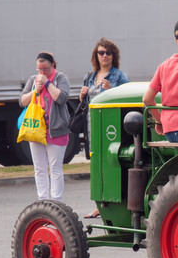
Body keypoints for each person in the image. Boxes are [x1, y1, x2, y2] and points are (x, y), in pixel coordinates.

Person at [81, 38, 130, 219]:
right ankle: (98, 204)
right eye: (101, 53)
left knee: (108, 164)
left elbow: (129, 98)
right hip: (92, 125)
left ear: (113, 56)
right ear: (96, 56)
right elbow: (86, 104)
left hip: (110, 127)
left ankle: (106, 204)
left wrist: (112, 89)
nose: (104, 56)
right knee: (95, 164)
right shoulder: (90, 76)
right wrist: (82, 95)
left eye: (108, 53)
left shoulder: (118, 75)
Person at [19, 52, 71, 201]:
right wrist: (35, 91)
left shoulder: (61, 78)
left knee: (55, 169)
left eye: (45, 69)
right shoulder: (33, 80)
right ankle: (42, 199)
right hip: (36, 129)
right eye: (39, 70)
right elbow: (22, 101)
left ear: (52, 65)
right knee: (39, 169)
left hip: (56, 130)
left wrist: (48, 84)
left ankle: (56, 201)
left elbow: (61, 98)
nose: (42, 73)